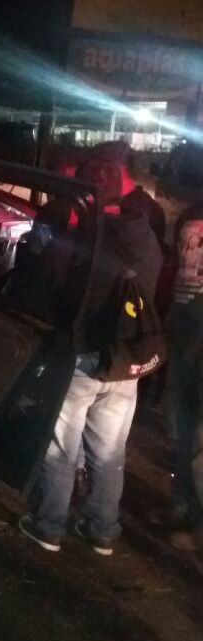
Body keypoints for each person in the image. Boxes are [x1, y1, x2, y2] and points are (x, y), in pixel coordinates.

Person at [20, 158, 162, 556]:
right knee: (110, 453)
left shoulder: (86, 236)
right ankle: (102, 530)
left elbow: (48, 285)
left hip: (82, 359)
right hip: (126, 362)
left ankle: (49, 526)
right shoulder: (144, 237)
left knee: (63, 449)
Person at [158, 200, 203, 551]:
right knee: (183, 425)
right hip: (185, 327)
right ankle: (182, 505)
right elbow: (179, 271)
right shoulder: (191, 213)